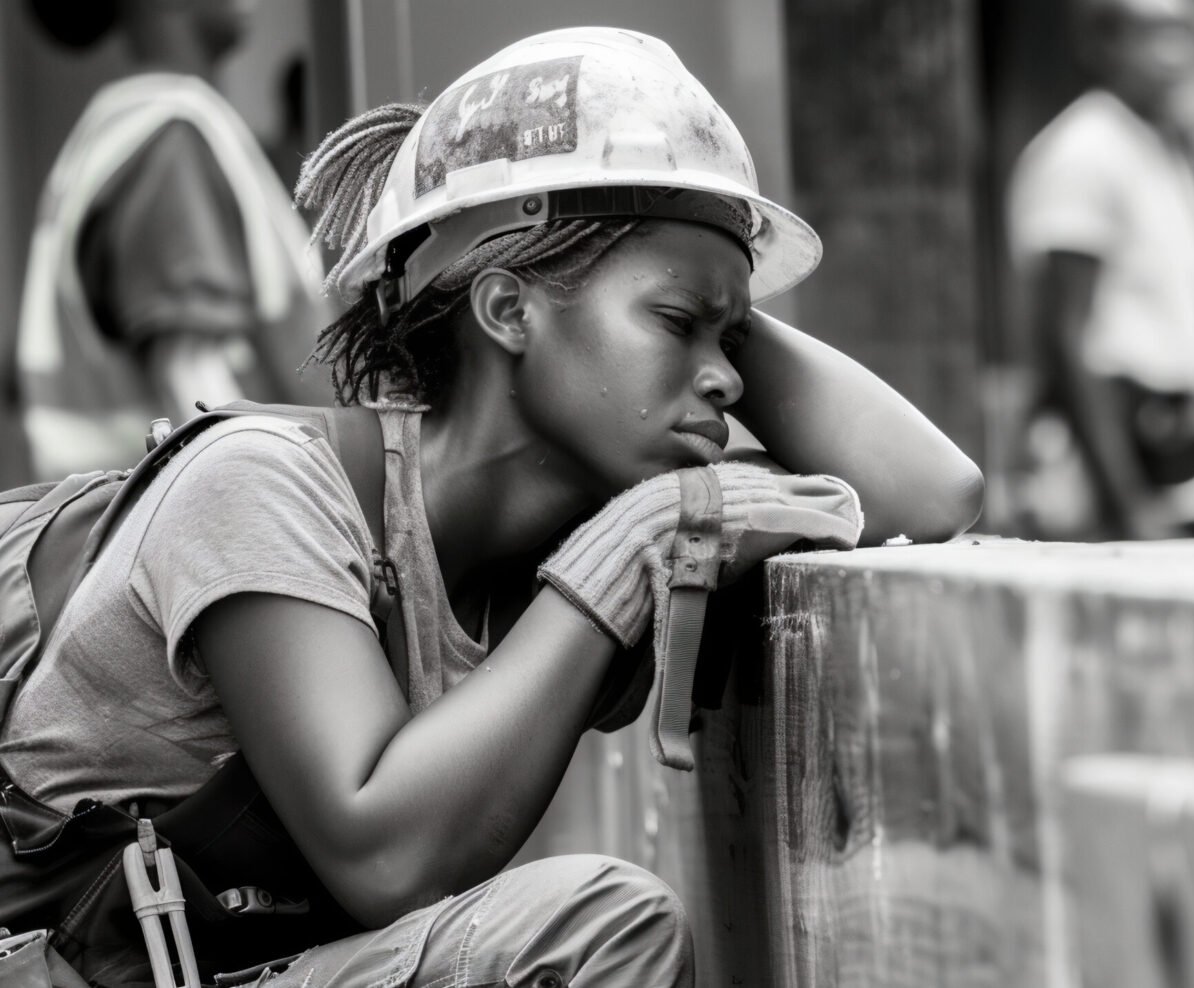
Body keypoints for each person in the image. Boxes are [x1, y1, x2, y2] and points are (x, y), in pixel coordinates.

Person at [0, 27, 983, 988]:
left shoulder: (555, 531)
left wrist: (705, 277)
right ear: (509, 311)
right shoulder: (260, 485)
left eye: (732, 341)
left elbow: (929, 496)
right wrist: (627, 551)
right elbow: (384, 856)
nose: (725, 377)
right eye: (679, 323)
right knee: (596, 929)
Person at [13, 0, 332, 482]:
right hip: (200, 532)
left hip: (123, 533)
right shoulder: (165, 140)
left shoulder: (133, 130)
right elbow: (197, 402)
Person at [1000, 0, 1194, 539]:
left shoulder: (1160, 150)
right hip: (1119, 463)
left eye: (1185, 37)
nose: (1176, 57)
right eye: (1154, 38)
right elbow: (1066, 337)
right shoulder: (1084, 153)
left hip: (1179, 455)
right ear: (1102, 48)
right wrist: (1128, 503)